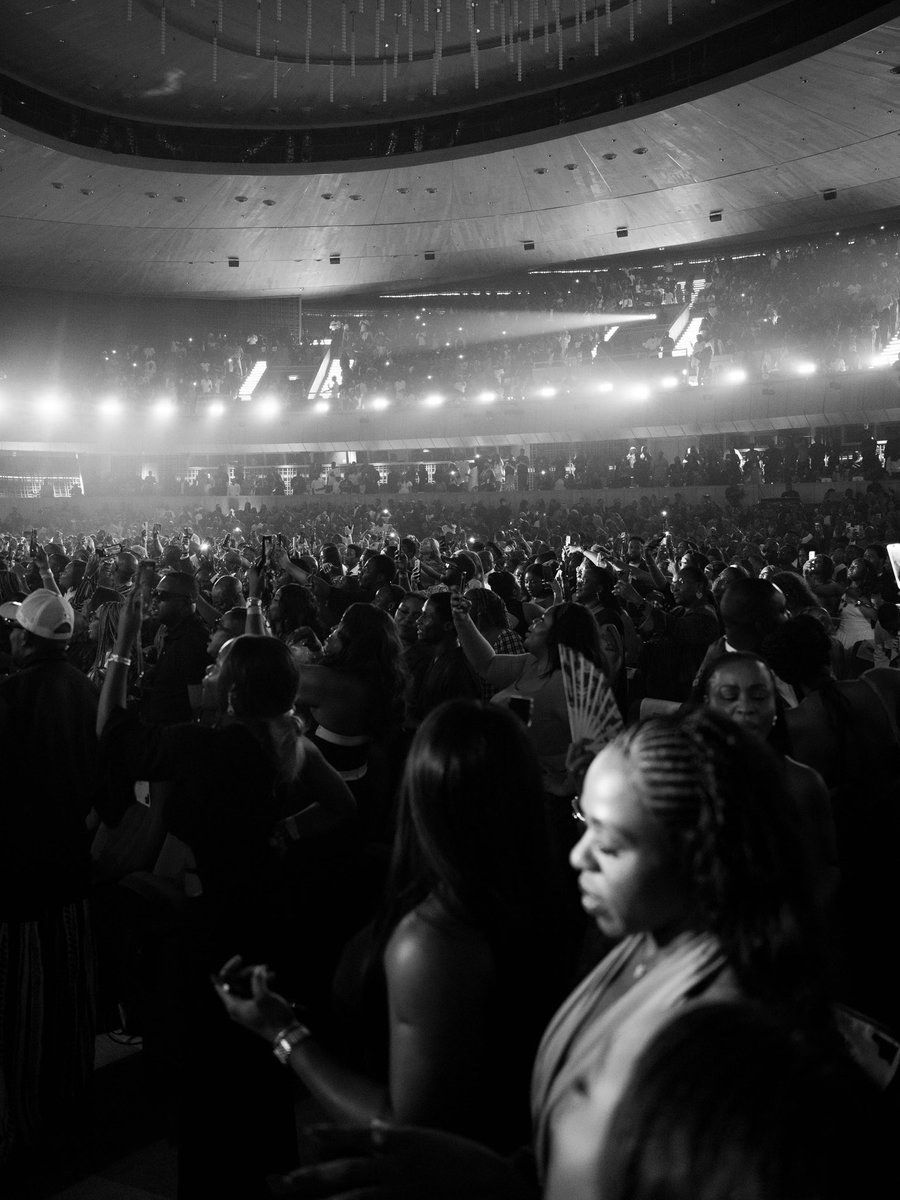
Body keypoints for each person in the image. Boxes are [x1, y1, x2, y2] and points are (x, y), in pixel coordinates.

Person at [267, 708, 839, 1200]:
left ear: (700, 854)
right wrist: (506, 1175)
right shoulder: (638, 942)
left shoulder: (730, 1041)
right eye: (580, 822)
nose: (577, 858)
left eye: (610, 843)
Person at [215, 701, 572, 1153]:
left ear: (421, 794)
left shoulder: (436, 939)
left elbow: (405, 1127)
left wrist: (285, 1035)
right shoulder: (549, 890)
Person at [0, 590, 110, 1164]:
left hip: (19, 876)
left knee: (21, 1002)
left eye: (13, 630)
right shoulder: (88, 689)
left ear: (26, 638)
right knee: (69, 995)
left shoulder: (12, 696)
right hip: (69, 866)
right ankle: (67, 1101)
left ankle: (21, 1116)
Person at [452, 597, 612, 800]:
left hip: (536, 794)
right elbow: (487, 664)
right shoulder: (532, 665)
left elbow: (602, 743)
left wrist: (566, 787)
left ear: (561, 634)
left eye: (543, 620)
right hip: (509, 781)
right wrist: (463, 621)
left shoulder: (568, 682)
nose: (534, 622)